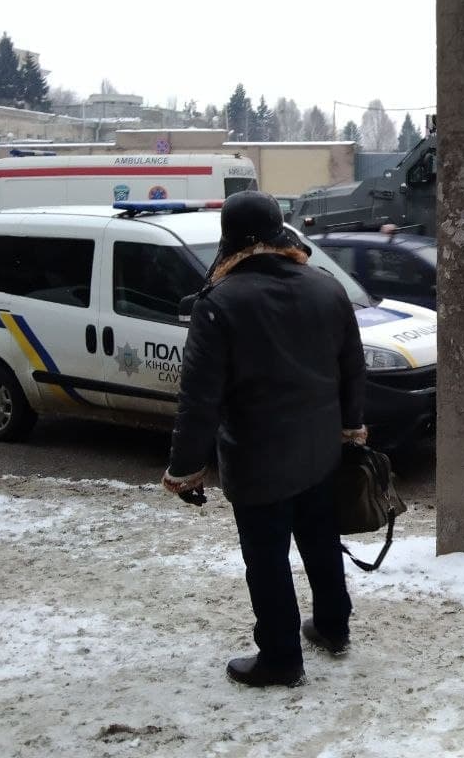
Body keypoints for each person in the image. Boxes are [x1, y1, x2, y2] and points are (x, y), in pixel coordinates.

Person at [161, 191, 367, 688]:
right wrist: (351, 428)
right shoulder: (325, 287)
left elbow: (199, 400)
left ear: (229, 240)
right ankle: (333, 627)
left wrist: (186, 470)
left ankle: (280, 658)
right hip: (321, 449)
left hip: (258, 458)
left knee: (268, 560)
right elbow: (352, 369)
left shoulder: (220, 303)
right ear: (279, 233)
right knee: (320, 541)